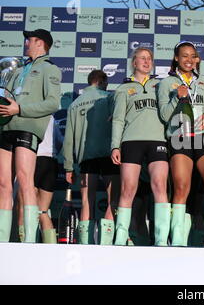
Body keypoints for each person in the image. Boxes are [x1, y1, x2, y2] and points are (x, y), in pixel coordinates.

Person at [158, 41, 204, 247]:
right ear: (176, 58)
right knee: (181, 187)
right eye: (184, 56)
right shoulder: (166, 83)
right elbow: (164, 116)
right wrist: (177, 98)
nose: (189, 60)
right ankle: (179, 238)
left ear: (197, 59)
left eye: (192, 56)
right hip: (179, 137)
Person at [0, 29, 61, 243]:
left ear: (41, 43)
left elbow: (53, 103)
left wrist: (20, 109)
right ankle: (2, 240)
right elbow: (6, 97)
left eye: (31, 39)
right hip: (5, 128)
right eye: (27, 39)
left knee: (26, 181)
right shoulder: (17, 70)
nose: (27, 42)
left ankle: (29, 242)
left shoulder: (49, 68)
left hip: (27, 127)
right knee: (4, 183)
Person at [111, 47, 170, 246]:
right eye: (142, 58)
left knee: (160, 186)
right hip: (131, 141)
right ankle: (120, 237)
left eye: (149, 58)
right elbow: (118, 119)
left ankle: (162, 238)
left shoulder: (161, 86)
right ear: (134, 63)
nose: (146, 62)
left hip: (157, 141)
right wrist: (115, 146)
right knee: (128, 189)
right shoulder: (122, 89)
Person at [63, 70, 120, 245]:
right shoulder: (110, 99)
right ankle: (107, 244)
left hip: (86, 158)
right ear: (102, 82)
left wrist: (68, 167)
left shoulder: (75, 104)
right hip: (110, 155)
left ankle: (85, 244)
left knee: (87, 202)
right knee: (113, 200)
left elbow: (69, 139)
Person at [16, 115, 63, 243]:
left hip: (33, 158)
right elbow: (60, 142)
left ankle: (25, 244)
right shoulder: (51, 117)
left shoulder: (25, 112)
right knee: (43, 211)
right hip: (51, 162)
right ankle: (51, 247)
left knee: (23, 205)